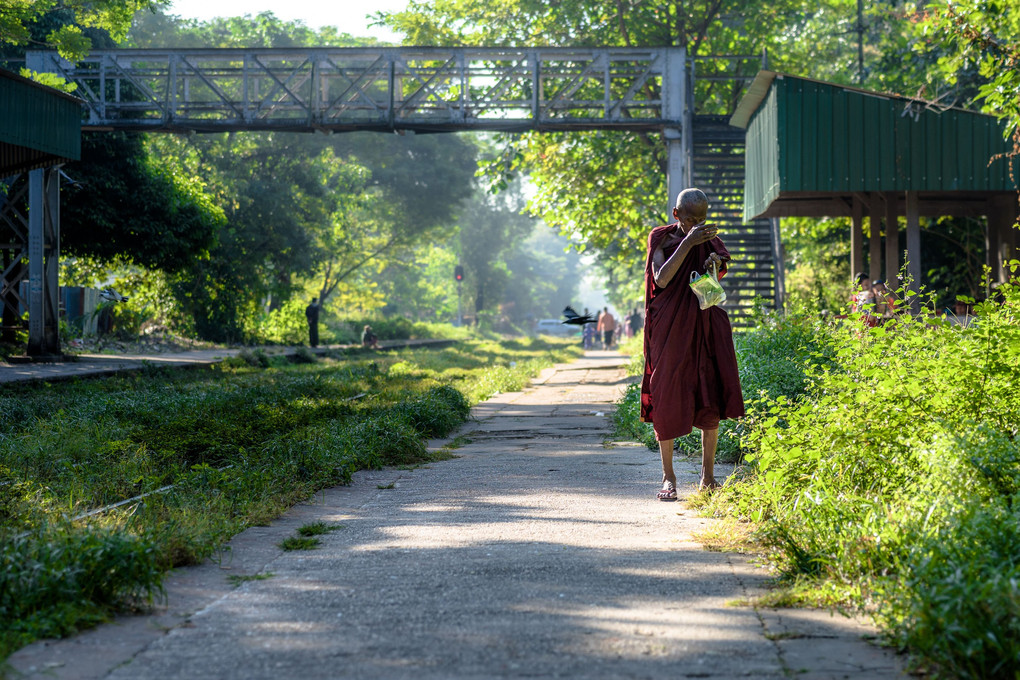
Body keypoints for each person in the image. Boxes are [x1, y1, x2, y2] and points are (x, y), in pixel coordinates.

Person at [641, 188, 745, 500]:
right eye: (690, 219)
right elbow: (661, 279)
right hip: (670, 327)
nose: (696, 225)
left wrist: (713, 263)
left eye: (702, 219)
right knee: (668, 391)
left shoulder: (710, 240)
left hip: (703, 324)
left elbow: (712, 285)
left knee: (709, 392)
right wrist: (688, 243)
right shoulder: (661, 238)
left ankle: (708, 476)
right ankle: (668, 477)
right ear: (676, 215)